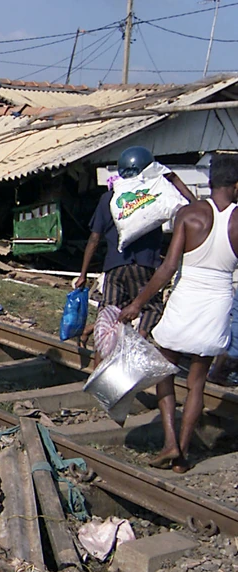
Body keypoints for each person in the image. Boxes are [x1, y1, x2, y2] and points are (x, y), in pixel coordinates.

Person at [119, 153, 238, 473]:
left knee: (164, 372)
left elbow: (167, 268)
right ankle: (181, 458)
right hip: (217, 302)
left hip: (186, 299)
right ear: (236, 186)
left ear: (210, 182)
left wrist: (136, 304)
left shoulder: (189, 214)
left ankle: (170, 442)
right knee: (197, 383)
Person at [76, 146, 196, 361]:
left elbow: (94, 238)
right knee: (152, 309)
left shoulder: (109, 198)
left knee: (108, 319)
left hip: (114, 268)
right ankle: (136, 343)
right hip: (144, 267)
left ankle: (99, 367)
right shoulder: (153, 197)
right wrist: (172, 178)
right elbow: (193, 206)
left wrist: (83, 274)